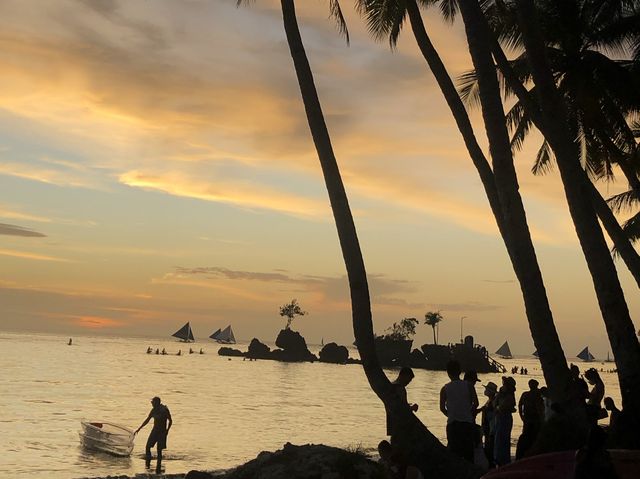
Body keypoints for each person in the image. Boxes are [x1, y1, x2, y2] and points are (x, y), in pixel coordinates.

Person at [440, 360, 478, 462]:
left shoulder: (445, 388)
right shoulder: (469, 386)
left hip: (453, 424)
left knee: (454, 454)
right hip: (467, 423)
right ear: (460, 371)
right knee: (468, 453)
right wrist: (469, 412)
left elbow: (442, 408)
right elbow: (476, 403)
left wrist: (450, 414)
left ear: (448, 372)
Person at [135, 396, 172, 473]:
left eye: (153, 402)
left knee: (159, 449)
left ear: (157, 402)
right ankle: (148, 463)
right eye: (152, 402)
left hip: (162, 431)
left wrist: (167, 430)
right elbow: (147, 420)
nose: (152, 403)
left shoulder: (164, 410)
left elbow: (170, 420)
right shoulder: (153, 410)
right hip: (155, 430)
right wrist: (139, 428)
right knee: (148, 446)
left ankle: (159, 469)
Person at [385, 367, 419, 437]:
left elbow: (398, 405)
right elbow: (403, 409)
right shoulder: (400, 388)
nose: (408, 383)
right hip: (400, 424)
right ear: (403, 375)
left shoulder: (391, 385)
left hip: (391, 422)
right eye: (408, 380)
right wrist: (412, 408)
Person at [515, 379, 544, 459]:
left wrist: (522, 415)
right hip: (530, 418)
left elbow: (520, 405)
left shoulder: (535, 394)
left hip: (533, 418)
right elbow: (520, 405)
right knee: (529, 436)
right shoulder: (529, 395)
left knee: (531, 436)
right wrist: (522, 416)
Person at [493, 376, 516, 466]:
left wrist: (498, 407)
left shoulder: (509, 396)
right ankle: (499, 458)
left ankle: (502, 459)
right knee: (500, 439)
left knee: (502, 439)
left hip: (504, 418)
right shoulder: (502, 394)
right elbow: (496, 404)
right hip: (501, 417)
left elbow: (502, 406)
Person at [479, 381, 498, 468]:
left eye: (487, 389)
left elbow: (492, 416)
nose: (485, 390)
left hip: (489, 427)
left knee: (489, 446)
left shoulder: (492, 401)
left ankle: (491, 464)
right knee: (487, 444)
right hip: (487, 426)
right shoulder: (489, 401)